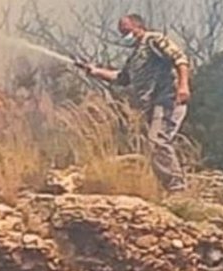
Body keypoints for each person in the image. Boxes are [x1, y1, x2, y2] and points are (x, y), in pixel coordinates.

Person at [81, 14, 191, 192]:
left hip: (168, 100)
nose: (124, 35)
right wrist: (95, 71)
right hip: (152, 106)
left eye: (126, 30)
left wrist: (183, 85)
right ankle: (170, 188)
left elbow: (180, 58)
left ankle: (177, 188)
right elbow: (122, 78)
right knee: (156, 144)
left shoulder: (153, 40)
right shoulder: (134, 57)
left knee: (157, 141)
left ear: (138, 26)